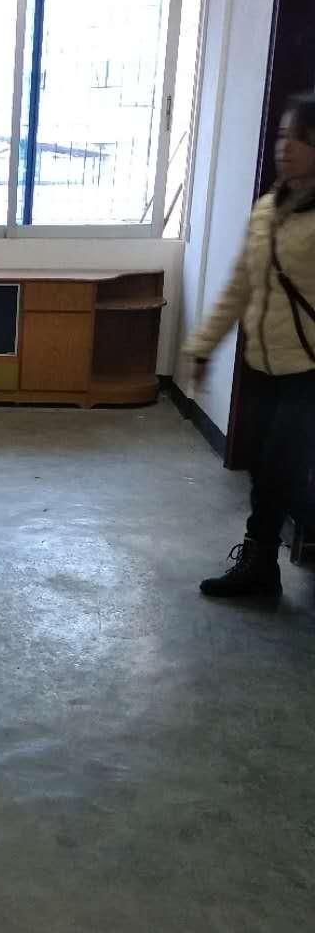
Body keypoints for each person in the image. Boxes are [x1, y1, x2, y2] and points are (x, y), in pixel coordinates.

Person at [182, 92, 315, 597]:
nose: (286, 147)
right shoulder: (266, 210)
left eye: (301, 138)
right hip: (262, 364)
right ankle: (264, 564)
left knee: (280, 467)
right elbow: (239, 285)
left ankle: (260, 565)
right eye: (283, 135)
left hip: (308, 370)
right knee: (266, 466)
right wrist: (203, 346)